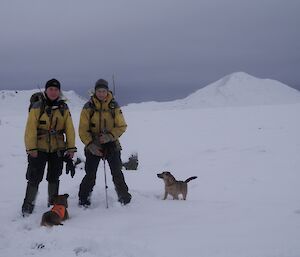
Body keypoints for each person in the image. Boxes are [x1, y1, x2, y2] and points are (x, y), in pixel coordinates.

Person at [22, 79, 77, 216]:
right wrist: (31, 149)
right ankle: (28, 206)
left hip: (57, 148)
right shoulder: (37, 107)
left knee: (54, 176)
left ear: (59, 92)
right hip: (38, 149)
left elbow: (69, 129)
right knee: (34, 177)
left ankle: (53, 205)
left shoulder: (63, 108)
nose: (53, 92)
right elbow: (30, 129)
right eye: (51, 89)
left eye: (56, 90)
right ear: (46, 91)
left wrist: (71, 148)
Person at [78, 79, 131, 206]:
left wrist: (110, 136)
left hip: (112, 143)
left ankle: (124, 196)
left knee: (117, 172)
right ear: (95, 91)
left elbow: (121, 126)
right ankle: (83, 198)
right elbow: (82, 129)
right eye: (99, 91)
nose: (101, 93)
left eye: (103, 91)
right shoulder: (88, 107)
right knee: (90, 174)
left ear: (107, 91)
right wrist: (90, 145)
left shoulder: (114, 106)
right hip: (93, 144)